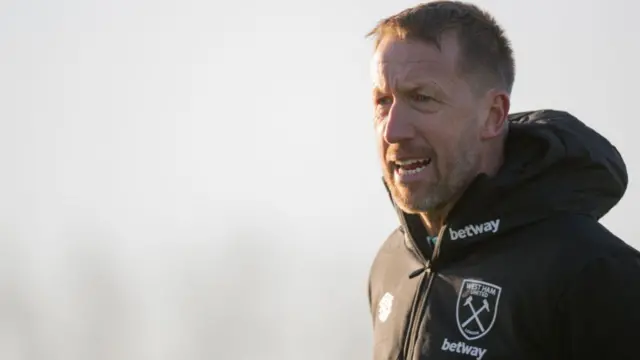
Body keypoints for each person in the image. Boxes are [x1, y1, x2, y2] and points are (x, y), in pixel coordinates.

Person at [365, 1, 640, 359]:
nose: (393, 129)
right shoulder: (391, 263)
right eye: (382, 101)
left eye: (422, 98)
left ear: (494, 116)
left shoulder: (595, 272)